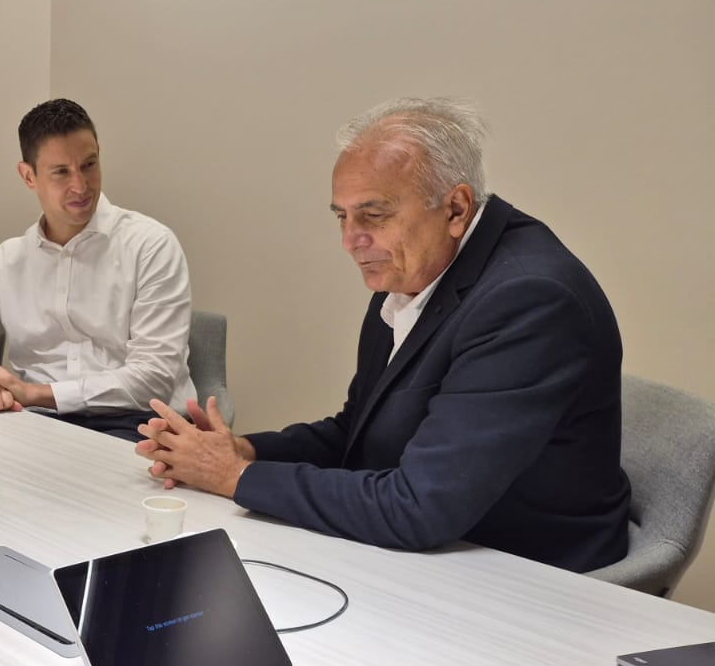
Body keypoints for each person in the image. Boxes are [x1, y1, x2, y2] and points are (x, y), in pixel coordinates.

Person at [137, 98, 630, 571]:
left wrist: (235, 478)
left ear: (456, 209)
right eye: (342, 217)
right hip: (444, 548)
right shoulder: (415, 272)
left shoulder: (528, 299)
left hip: (530, 577)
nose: (350, 241)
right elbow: (359, 432)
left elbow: (421, 507)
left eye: (373, 215)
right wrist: (246, 452)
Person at [0, 98, 194, 442]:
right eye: (61, 172)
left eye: (89, 165)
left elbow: (154, 378)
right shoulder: (9, 260)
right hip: (38, 425)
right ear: (29, 176)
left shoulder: (150, 245)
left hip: (139, 424)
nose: (81, 186)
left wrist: (34, 393)